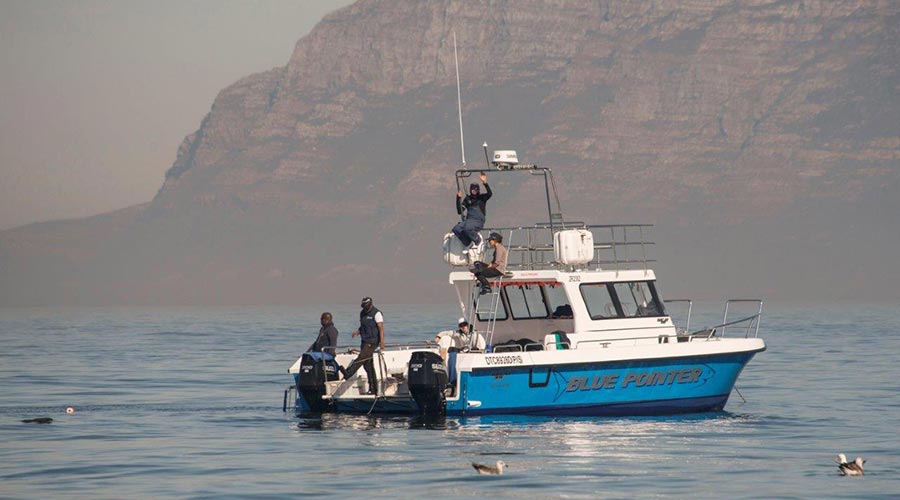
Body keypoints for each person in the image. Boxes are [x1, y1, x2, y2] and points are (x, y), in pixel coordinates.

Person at [344, 296, 384, 395]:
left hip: (372, 341)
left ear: (370, 304)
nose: (364, 308)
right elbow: (362, 326)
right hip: (364, 341)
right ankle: (373, 389)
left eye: (365, 306)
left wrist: (382, 342)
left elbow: (380, 329)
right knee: (368, 366)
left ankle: (348, 373)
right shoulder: (362, 313)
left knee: (361, 358)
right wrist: (357, 332)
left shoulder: (377, 313)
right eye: (363, 306)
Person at [452, 172, 492, 250]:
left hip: (478, 221)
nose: (474, 191)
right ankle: (467, 243)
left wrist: (485, 182)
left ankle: (478, 241)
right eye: (473, 189)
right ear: (470, 190)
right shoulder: (467, 200)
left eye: (476, 189)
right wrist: (458, 198)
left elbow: (490, 194)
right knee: (456, 229)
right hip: (469, 220)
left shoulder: (481, 198)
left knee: (467, 228)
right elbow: (460, 211)